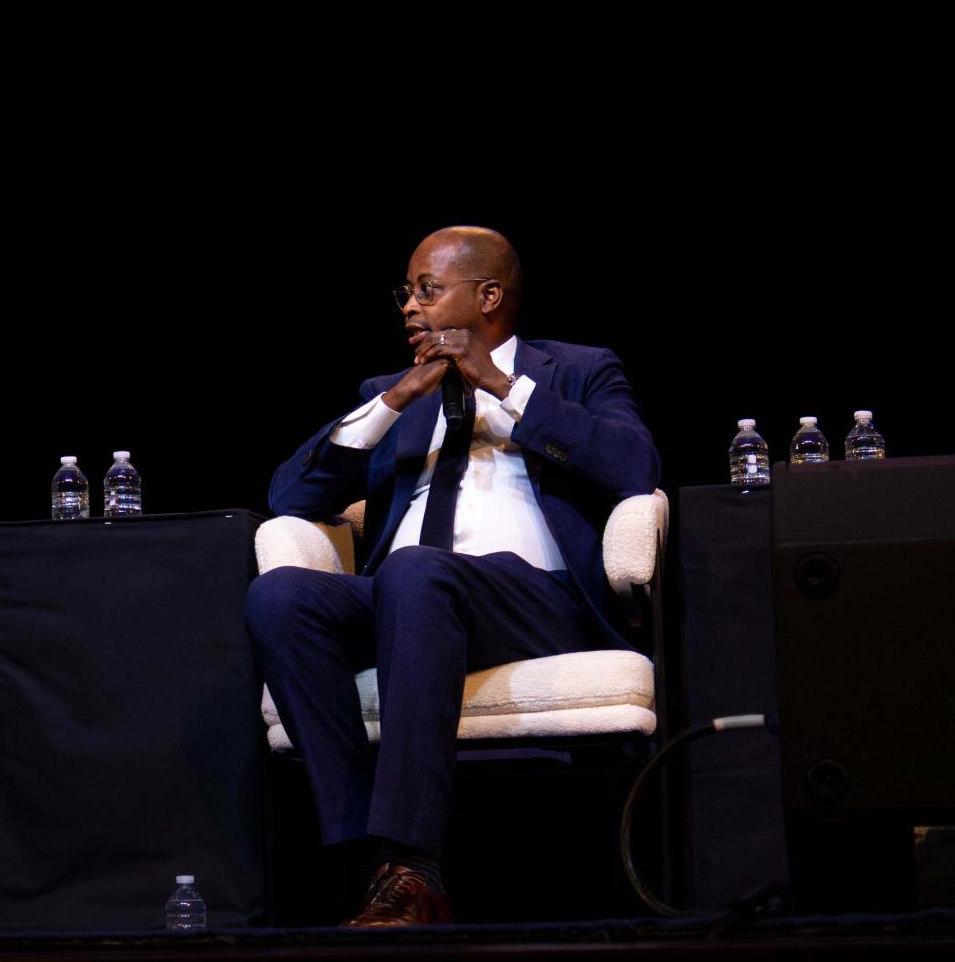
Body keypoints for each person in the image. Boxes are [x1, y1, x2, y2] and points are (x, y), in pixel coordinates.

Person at [246, 225, 659, 926]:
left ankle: (414, 862)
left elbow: (635, 467)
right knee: (281, 594)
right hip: (406, 598)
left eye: (426, 290)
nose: (409, 307)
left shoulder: (578, 370)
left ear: (489, 295)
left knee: (417, 572)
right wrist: (396, 401)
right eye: (405, 293)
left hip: (535, 600)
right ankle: (372, 866)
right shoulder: (393, 393)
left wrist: (502, 386)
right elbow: (289, 495)